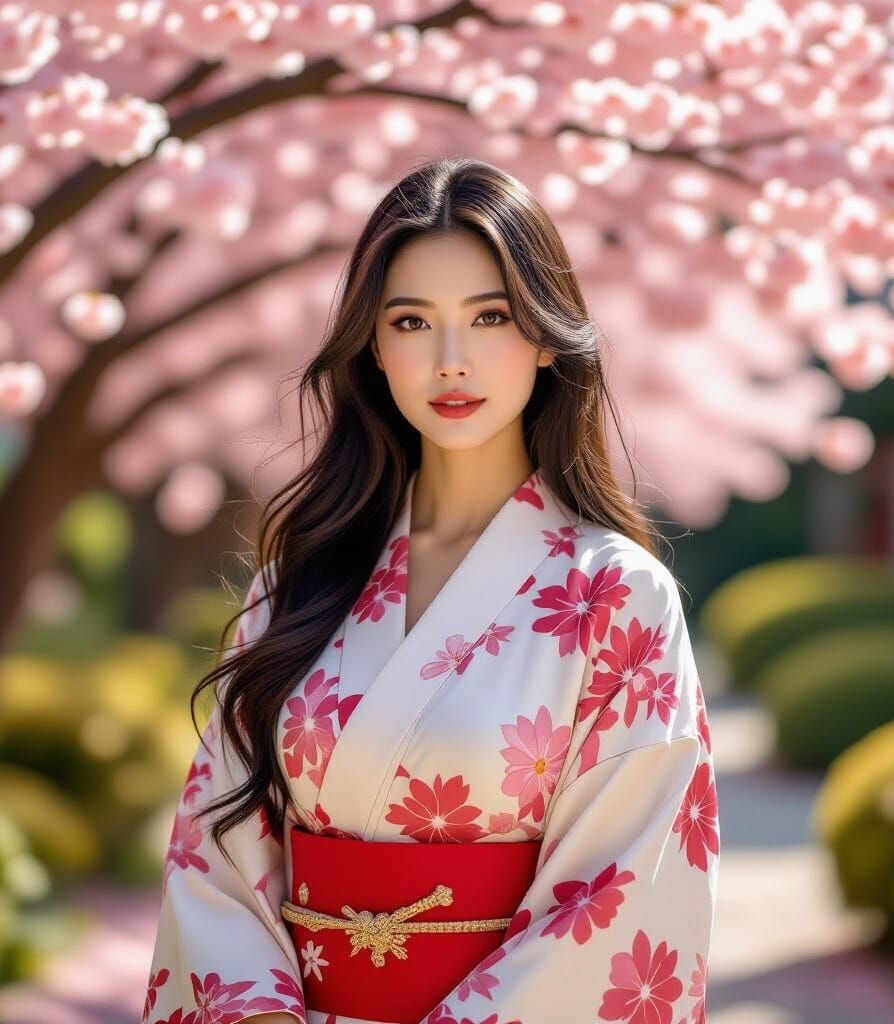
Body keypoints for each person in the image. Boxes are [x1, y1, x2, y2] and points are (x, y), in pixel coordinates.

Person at [140, 156, 720, 1024]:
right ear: (373, 347)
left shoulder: (614, 597)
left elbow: (625, 885)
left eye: (490, 317)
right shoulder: (296, 583)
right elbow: (214, 848)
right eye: (413, 321)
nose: (451, 360)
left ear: (544, 335)